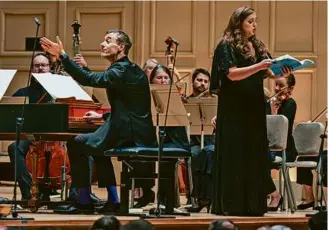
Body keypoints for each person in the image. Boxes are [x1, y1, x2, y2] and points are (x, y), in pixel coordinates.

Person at [40, 29, 157, 214]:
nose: (102, 44)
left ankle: (84, 201)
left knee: (77, 143)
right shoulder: (128, 69)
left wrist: (63, 56)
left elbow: (91, 79)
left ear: (121, 47)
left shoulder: (121, 70)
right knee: (97, 148)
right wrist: (102, 116)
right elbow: (128, 106)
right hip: (133, 127)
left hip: (129, 132)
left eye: (108, 40)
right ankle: (112, 199)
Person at [210, 6, 291, 216]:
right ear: (238, 23)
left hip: (254, 105)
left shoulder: (256, 44)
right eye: (250, 21)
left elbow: (269, 70)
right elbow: (231, 74)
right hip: (235, 106)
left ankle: (253, 204)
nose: (254, 25)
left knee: (254, 150)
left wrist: (282, 71)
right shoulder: (225, 45)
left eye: (256, 21)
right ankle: (232, 204)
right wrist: (259, 67)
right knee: (235, 151)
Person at [134, 64, 190, 210]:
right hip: (150, 136)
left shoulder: (174, 96)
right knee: (141, 156)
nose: (164, 81)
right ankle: (147, 194)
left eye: (166, 78)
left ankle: (166, 200)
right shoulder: (144, 95)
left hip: (172, 138)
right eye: (159, 78)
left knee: (166, 158)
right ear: (152, 80)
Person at [266, 74, 297, 211]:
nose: (277, 88)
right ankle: (272, 193)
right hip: (268, 148)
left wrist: (273, 112)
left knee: (257, 158)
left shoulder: (290, 104)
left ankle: (275, 196)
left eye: (281, 85)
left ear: (290, 88)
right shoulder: (270, 102)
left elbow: (279, 130)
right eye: (276, 84)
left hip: (284, 148)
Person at [186, 68, 215, 213]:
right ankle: (195, 197)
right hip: (194, 142)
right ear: (192, 82)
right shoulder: (186, 102)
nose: (202, 84)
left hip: (213, 142)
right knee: (196, 154)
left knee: (210, 152)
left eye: (205, 81)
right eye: (199, 80)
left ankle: (206, 197)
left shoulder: (215, 102)